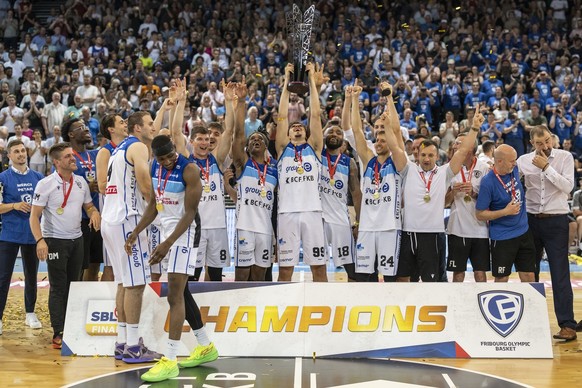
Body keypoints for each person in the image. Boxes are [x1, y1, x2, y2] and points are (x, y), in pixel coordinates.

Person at [126, 135, 217, 382]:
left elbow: (190, 213)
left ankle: (170, 360)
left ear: (175, 150)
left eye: (169, 156)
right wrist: (136, 231)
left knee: (174, 296)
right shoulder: (155, 166)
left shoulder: (189, 169)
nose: (166, 161)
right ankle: (205, 345)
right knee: (182, 293)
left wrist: (168, 244)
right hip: (167, 232)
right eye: (161, 158)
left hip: (185, 233)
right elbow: (155, 204)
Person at [100, 111, 162, 363]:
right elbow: (145, 185)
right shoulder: (137, 147)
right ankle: (134, 347)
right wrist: (160, 212)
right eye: (149, 124)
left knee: (123, 283)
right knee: (135, 285)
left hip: (111, 220)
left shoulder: (118, 149)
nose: (153, 128)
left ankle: (123, 342)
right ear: (138, 128)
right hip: (128, 221)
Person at [397, 106, 484, 282]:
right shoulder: (409, 169)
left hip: (432, 234)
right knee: (403, 280)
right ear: (418, 155)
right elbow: (394, 144)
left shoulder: (445, 172)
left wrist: (474, 128)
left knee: (432, 282)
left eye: (431, 155)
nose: (427, 159)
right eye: (423, 155)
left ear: (438, 156)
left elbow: (463, 150)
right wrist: (389, 100)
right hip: (408, 232)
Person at [30, 142, 101, 349]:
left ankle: (72, 326)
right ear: (57, 162)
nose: (74, 159)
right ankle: (59, 331)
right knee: (59, 287)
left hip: (77, 239)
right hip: (54, 241)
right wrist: (40, 240)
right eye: (69, 156)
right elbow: (34, 216)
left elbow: (88, 205)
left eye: (74, 155)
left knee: (74, 284)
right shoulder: (45, 184)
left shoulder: (80, 182)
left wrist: (94, 213)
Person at [516, 126, 577, 341]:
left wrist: (547, 168)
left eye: (548, 141)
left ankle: (567, 325)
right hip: (531, 221)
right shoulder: (522, 161)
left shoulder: (565, 157)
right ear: (532, 143)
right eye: (540, 143)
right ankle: (531, 324)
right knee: (529, 273)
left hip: (557, 221)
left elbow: (568, 187)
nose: (546, 146)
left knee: (560, 273)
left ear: (552, 139)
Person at [275, 62, 328, 282]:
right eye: (293, 127)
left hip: (312, 212)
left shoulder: (314, 148)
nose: (296, 126)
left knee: (319, 269)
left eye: (300, 126)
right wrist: (287, 80)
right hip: (287, 213)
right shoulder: (282, 149)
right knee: (285, 271)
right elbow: (281, 116)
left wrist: (312, 83)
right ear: (287, 135)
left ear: (305, 132)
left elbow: (315, 116)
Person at [351, 82, 407, 281]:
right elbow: (357, 131)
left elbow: (397, 132)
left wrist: (389, 98)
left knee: (390, 278)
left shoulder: (398, 162)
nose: (379, 141)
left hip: (389, 227)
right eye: (377, 138)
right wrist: (355, 99)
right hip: (367, 226)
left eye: (383, 139)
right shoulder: (368, 160)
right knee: (366, 276)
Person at [231, 81, 278, 281]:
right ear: (248, 148)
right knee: (242, 274)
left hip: (266, 229)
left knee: (260, 274)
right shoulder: (243, 164)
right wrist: (241, 101)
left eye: (260, 139)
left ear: (266, 146)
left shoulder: (275, 171)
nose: (256, 140)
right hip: (245, 227)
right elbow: (239, 136)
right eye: (253, 140)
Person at [0, 140, 44, 335]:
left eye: (22, 150)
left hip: (32, 233)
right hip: (9, 234)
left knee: (31, 276)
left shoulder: (39, 177)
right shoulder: (2, 178)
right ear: (9, 156)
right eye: (16, 151)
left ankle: (30, 313)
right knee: (3, 278)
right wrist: (14, 206)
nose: (20, 154)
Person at [475, 144, 535, 283]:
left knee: (529, 276)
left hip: (524, 232)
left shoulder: (514, 169)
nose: (515, 163)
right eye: (512, 160)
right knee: (502, 278)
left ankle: (530, 305)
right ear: (499, 161)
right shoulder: (487, 182)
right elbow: (480, 214)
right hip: (503, 237)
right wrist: (505, 212)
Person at [320, 115, 361, 281]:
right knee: (319, 265)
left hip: (340, 218)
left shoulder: (349, 162)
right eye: (331, 132)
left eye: (338, 132)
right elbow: (314, 135)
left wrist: (358, 222)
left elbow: (356, 194)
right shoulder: (316, 155)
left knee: (352, 268)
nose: (334, 134)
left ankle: (349, 301)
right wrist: (325, 128)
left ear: (344, 140)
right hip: (319, 219)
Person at [445, 133, 491, 282]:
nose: (454, 145)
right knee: (458, 273)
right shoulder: (449, 169)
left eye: (459, 143)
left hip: (480, 230)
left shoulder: (485, 168)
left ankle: (480, 304)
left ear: (470, 147)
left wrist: (474, 193)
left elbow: (492, 199)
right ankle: (456, 305)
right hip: (457, 229)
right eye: (455, 143)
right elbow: (443, 203)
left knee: (480, 273)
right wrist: (454, 192)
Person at [61, 118, 102, 281]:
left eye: (86, 126)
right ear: (71, 134)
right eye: (81, 127)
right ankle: (71, 304)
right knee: (77, 267)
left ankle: (88, 303)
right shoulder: (65, 157)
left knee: (95, 265)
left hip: (98, 218)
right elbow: (59, 188)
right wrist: (85, 187)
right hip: (77, 221)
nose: (86, 129)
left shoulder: (97, 154)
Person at [95, 114, 128, 282]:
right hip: (112, 215)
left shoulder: (129, 147)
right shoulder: (105, 152)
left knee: (127, 264)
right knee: (110, 266)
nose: (125, 124)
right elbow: (101, 186)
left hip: (128, 214)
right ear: (111, 129)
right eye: (121, 122)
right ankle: (107, 306)